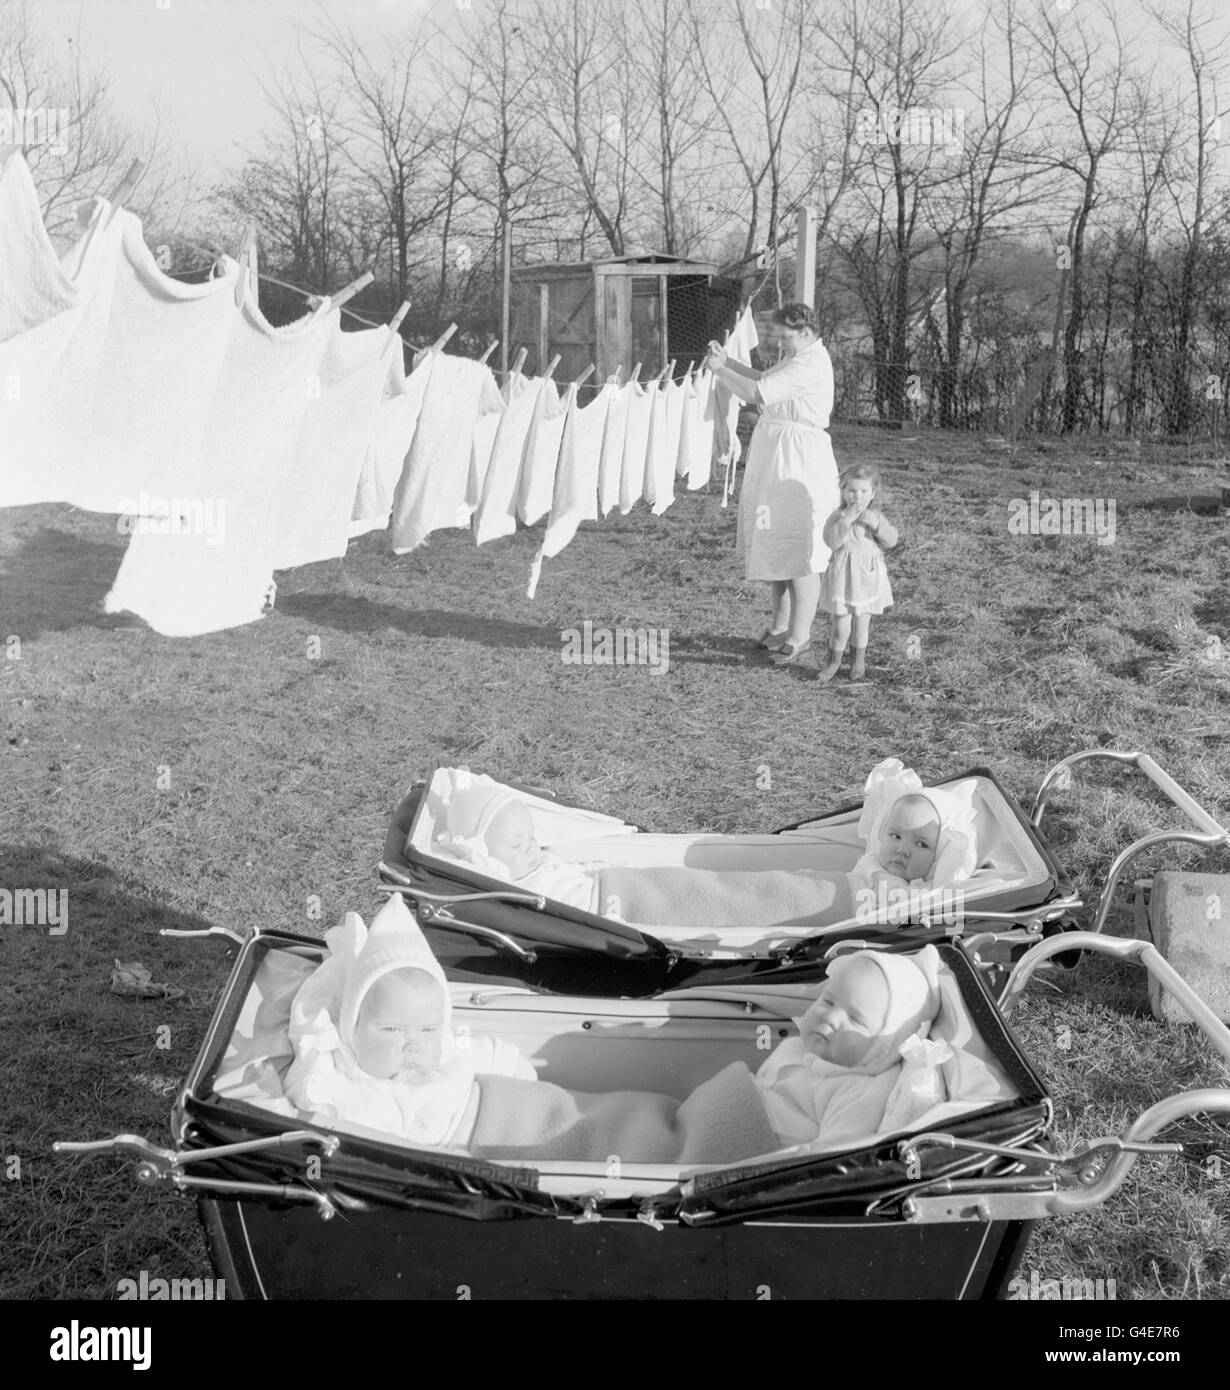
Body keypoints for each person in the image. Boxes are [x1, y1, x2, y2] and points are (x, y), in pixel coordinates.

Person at [706, 302, 842, 665]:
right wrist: (729, 364)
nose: (782, 343)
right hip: (779, 457)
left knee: (798, 552)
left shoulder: (812, 362)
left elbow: (757, 395)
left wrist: (720, 372)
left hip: (799, 462)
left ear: (806, 332)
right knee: (776, 543)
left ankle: (800, 637)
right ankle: (780, 627)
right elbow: (761, 379)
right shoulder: (798, 358)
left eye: (786, 337)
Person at [754, 946, 945, 1147]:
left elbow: (825, 1157)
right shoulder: (796, 1047)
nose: (829, 1017)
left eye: (856, 1020)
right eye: (827, 1001)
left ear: (884, 1047)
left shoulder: (860, 1093)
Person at [432, 781, 599, 911]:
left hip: (603, 886)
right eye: (516, 845)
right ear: (483, 852)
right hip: (602, 914)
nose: (532, 848)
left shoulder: (544, 859)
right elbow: (476, 860)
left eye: (532, 836)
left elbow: (579, 872)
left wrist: (604, 872)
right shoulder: (519, 890)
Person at [815, 465, 898, 683]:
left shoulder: (874, 516)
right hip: (843, 578)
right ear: (843, 491)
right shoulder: (838, 516)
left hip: (866, 578)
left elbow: (891, 541)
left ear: (872, 494)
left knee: (862, 624)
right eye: (852, 491)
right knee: (841, 625)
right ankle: (833, 661)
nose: (857, 496)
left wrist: (877, 526)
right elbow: (831, 541)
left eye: (863, 492)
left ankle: (857, 661)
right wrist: (845, 521)